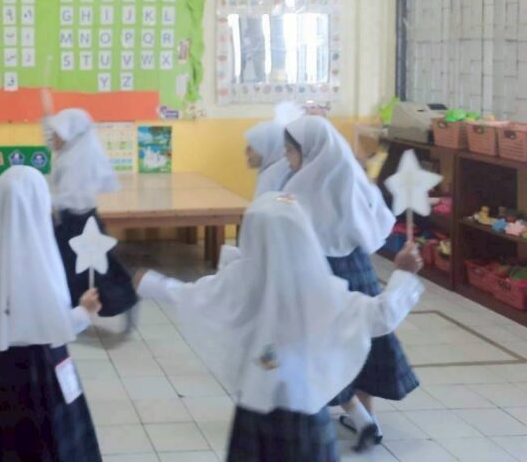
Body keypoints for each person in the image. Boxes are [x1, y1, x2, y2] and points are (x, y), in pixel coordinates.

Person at [135, 193, 424, 462]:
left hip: (254, 406)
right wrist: (403, 274)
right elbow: (381, 315)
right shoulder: (321, 289)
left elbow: (192, 295)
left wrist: (150, 283)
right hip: (304, 412)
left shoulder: (241, 276)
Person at [283, 115, 415, 450]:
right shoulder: (353, 175)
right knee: (362, 339)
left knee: (318, 345)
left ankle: (344, 415)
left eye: (290, 151)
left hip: (316, 272)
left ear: (309, 150)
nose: (287, 158)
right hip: (357, 268)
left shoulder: (296, 188)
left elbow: (284, 233)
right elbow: (379, 221)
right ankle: (367, 417)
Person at [0, 166, 103, 461]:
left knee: (5, 442)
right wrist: (85, 311)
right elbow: (53, 326)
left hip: (3, 368)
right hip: (43, 370)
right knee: (50, 442)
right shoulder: (37, 261)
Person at [46, 109, 137, 322]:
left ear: (69, 134)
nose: (53, 139)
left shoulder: (76, 161)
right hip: (73, 220)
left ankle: (115, 301)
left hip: (78, 222)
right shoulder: (70, 153)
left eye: (57, 134)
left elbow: (71, 198)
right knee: (80, 267)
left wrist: (44, 200)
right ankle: (77, 308)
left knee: (91, 268)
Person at [244, 120, 292, 198]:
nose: (246, 151)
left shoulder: (272, 177)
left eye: (252, 147)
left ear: (269, 148)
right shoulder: (277, 172)